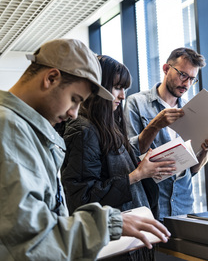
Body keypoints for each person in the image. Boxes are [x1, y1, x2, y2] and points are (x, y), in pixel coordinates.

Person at [0, 39, 170, 261]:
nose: (74, 113)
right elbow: (24, 246)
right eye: (74, 100)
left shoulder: (18, 128)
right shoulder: (5, 129)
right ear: (51, 78)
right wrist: (107, 224)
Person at [60, 55, 176, 260]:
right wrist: (135, 176)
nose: (122, 96)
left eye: (125, 89)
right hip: (114, 245)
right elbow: (82, 199)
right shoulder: (83, 130)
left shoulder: (108, 126)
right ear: (97, 88)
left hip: (132, 242)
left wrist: (144, 167)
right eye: (116, 87)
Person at [124, 47, 208, 221]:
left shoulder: (192, 110)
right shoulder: (136, 103)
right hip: (151, 202)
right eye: (183, 75)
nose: (187, 84)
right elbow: (131, 157)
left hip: (183, 202)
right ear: (166, 69)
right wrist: (154, 126)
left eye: (192, 79)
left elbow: (192, 170)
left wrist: (206, 149)